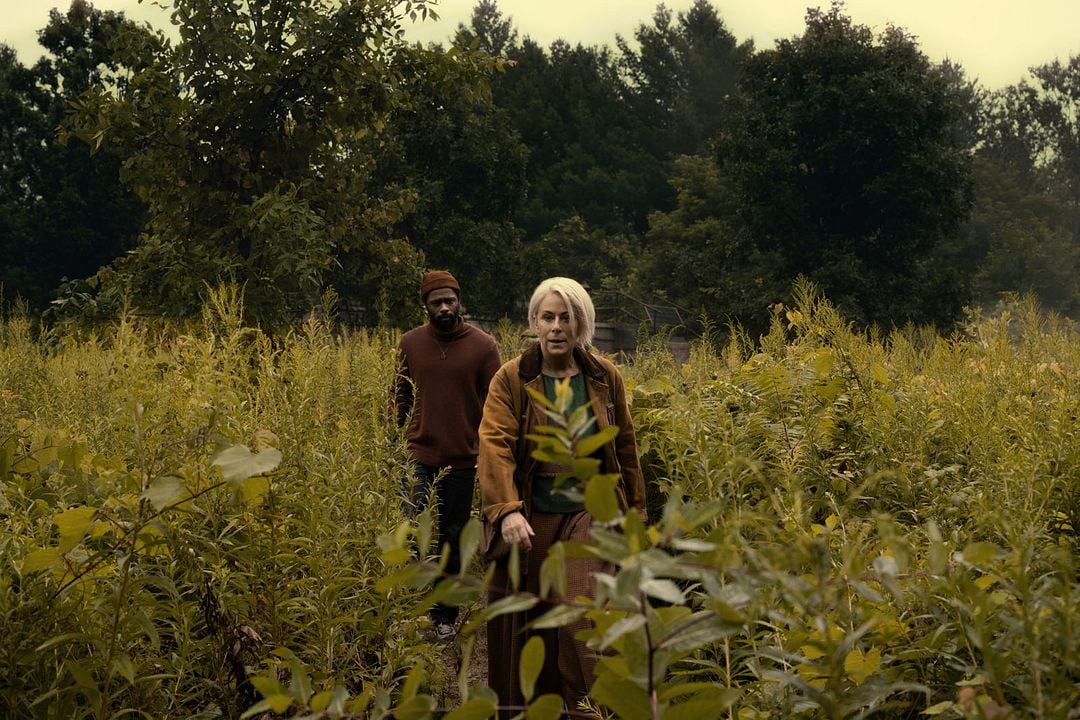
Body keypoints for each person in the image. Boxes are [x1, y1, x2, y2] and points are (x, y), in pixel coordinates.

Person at [477, 277, 646, 715]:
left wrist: (636, 518)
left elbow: (624, 446)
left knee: (582, 616)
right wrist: (507, 510)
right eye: (547, 317)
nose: (556, 327)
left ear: (581, 324)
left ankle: (592, 710)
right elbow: (494, 442)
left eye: (565, 318)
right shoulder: (512, 377)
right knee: (528, 625)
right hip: (530, 516)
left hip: (589, 516)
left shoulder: (604, 376)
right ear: (534, 322)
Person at [394, 270, 502, 642]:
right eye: (436, 302)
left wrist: (490, 448)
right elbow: (400, 396)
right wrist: (395, 440)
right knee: (410, 526)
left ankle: (444, 616)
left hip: (462, 458)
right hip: (418, 453)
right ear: (425, 305)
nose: (444, 308)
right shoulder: (410, 343)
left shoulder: (483, 346)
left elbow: (497, 403)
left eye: (449, 301)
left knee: (451, 536)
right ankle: (410, 605)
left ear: (459, 301)